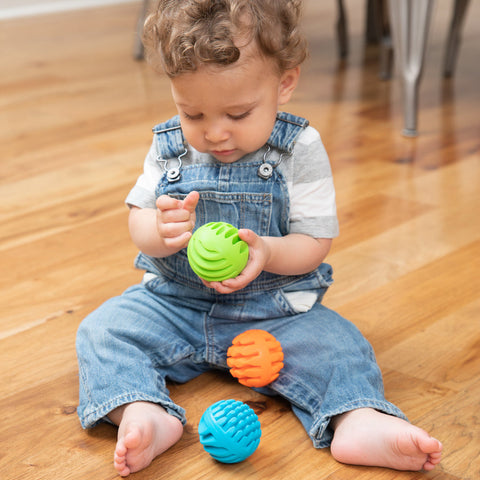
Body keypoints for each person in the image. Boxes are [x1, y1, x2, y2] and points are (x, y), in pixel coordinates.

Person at [75, 0, 443, 476]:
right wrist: (158, 230)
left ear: (283, 83)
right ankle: (141, 410)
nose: (214, 133)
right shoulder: (168, 146)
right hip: (175, 305)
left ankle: (357, 418)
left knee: (339, 345)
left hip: (275, 314)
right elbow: (138, 219)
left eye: (238, 112)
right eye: (192, 113)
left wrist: (267, 251)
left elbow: (314, 242)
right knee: (102, 331)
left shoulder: (299, 149)